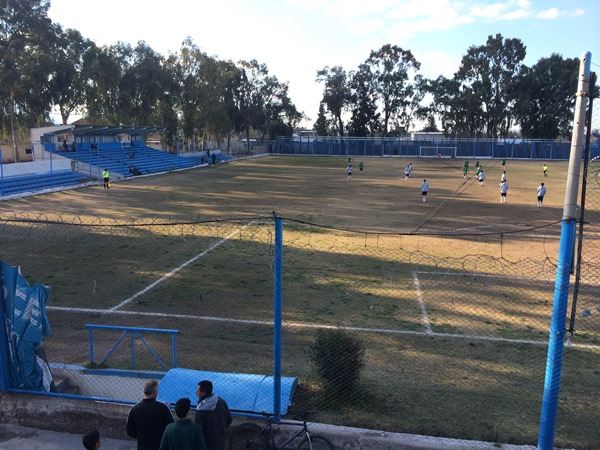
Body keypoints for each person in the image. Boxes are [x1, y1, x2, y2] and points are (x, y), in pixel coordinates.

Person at [127, 380, 174, 450]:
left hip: (142, 446)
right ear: (155, 392)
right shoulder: (163, 407)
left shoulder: (134, 409)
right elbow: (171, 427)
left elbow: (130, 431)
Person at [194, 380, 233, 450]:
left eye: (198, 391)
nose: (196, 392)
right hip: (221, 442)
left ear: (203, 393)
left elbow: (198, 430)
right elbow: (229, 419)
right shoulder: (221, 401)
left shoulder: (201, 409)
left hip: (207, 445)